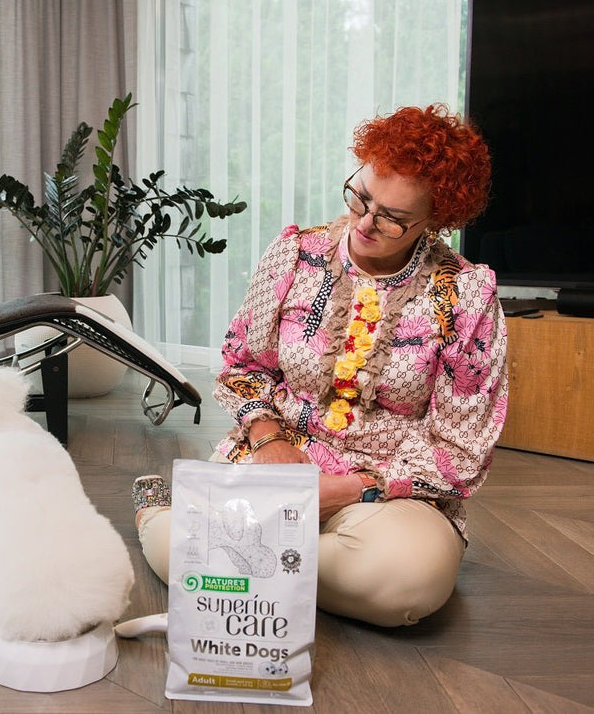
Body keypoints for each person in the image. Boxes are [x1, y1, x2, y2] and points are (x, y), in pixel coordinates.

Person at [132, 104, 508, 627]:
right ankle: (161, 514)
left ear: (435, 220)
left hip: (389, 491)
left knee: (407, 581)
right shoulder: (295, 255)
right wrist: (269, 441)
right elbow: (243, 365)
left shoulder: (466, 297)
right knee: (178, 550)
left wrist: (358, 487)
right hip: (277, 462)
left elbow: (461, 445)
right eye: (361, 196)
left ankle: (243, 574)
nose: (365, 222)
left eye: (393, 218)